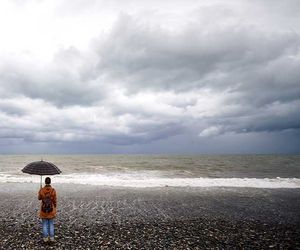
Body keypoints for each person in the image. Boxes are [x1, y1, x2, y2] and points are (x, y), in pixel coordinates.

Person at [38, 177, 57, 243]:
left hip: (43, 210)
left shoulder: (42, 190)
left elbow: (39, 198)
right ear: (50, 182)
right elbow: (54, 200)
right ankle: (52, 238)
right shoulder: (53, 190)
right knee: (51, 224)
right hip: (51, 210)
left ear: (45, 182)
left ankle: (45, 238)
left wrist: (40, 190)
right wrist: (55, 207)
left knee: (44, 224)